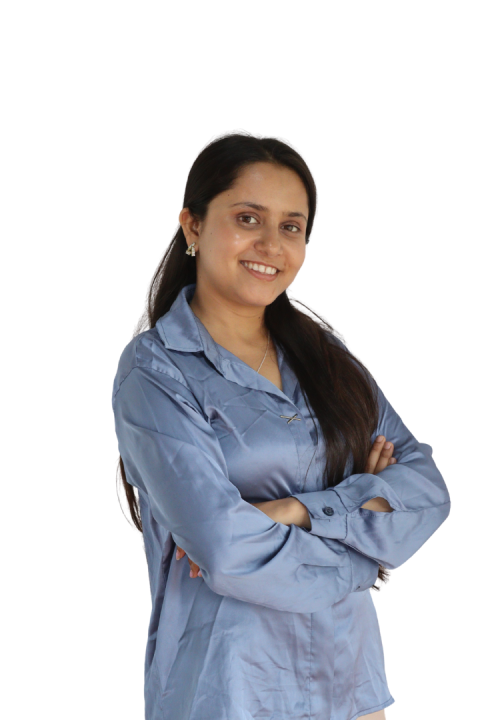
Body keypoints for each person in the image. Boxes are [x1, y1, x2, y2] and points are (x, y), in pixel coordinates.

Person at [112, 131, 451, 720]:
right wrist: (361, 547)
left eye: (292, 226)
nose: (271, 244)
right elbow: (224, 549)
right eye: (248, 218)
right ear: (193, 225)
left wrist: (296, 510)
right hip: (229, 691)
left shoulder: (325, 359)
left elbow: (425, 492)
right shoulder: (157, 373)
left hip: (350, 685)